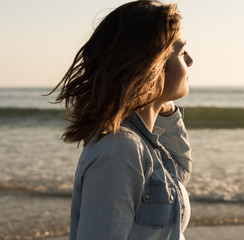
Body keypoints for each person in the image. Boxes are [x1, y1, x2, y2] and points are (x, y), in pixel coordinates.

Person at [49, 1, 193, 239]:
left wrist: (163, 108)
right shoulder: (119, 150)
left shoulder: (142, 142)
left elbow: (178, 174)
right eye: (181, 52)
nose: (190, 62)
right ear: (153, 65)